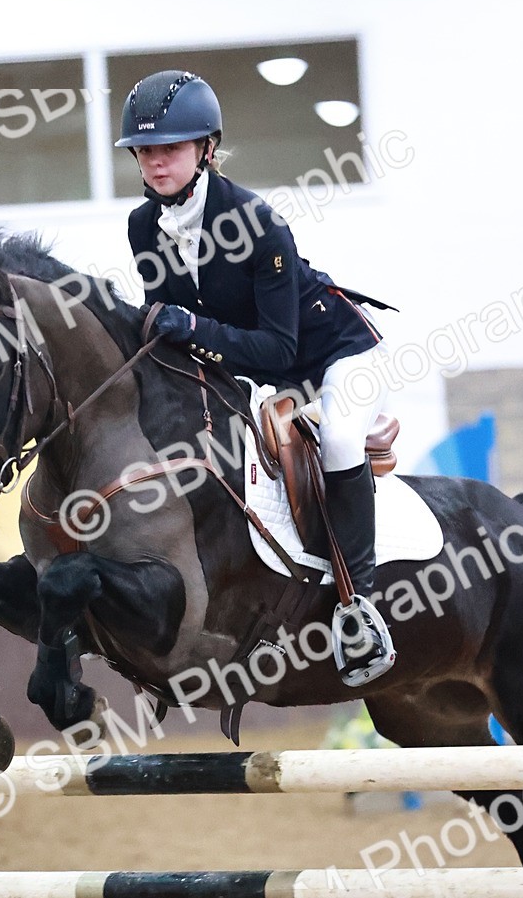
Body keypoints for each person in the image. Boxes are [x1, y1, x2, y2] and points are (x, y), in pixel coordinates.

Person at [115, 69, 395, 685]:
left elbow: (277, 348)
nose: (155, 162)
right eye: (144, 150)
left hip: (330, 357)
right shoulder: (142, 227)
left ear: (206, 148)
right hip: (249, 369)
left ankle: (360, 608)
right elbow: (170, 333)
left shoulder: (257, 221)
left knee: (339, 438)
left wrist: (190, 327)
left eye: (170, 148)